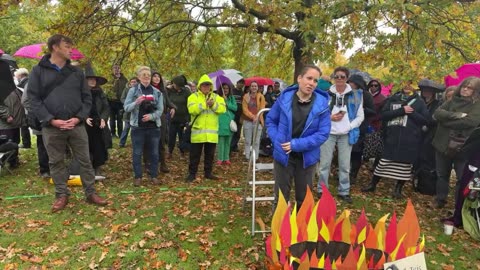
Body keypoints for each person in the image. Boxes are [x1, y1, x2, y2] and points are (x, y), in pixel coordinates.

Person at [27, 34, 108, 212]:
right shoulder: (38, 71)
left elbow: (87, 99)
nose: (71, 49)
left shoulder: (77, 72)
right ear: (55, 47)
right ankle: (61, 195)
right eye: (67, 46)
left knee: (86, 160)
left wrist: (78, 117)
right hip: (52, 127)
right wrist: (50, 120)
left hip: (76, 126)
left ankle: (90, 193)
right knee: (56, 162)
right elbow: (33, 100)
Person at [266, 64, 331, 210]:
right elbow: (271, 120)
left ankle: (302, 232)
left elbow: (323, 134)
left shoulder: (322, 105)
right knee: (281, 198)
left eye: (315, 81)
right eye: (309, 78)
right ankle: (280, 231)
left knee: (304, 200)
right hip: (283, 156)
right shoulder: (284, 98)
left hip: (307, 159)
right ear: (299, 78)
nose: (311, 83)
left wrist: (296, 144)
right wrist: (277, 140)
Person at [362, 81, 429, 199]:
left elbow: (425, 120)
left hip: (409, 139)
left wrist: (411, 112)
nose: (407, 86)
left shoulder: (419, 102)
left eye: (410, 84)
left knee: (404, 166)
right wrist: (401, 111)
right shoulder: (393, 99)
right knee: (383, 162)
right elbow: (383, 115)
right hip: (392, 137)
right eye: (405, 83)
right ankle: (373, 184)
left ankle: (398, 189)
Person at [317, 67, 364, 204]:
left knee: (344, 165)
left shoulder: (356, 95)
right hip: (328, 132)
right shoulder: (325, 94)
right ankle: (322, 190)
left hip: (346, 134)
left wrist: (348, 126)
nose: (339, 79)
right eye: (336, 76)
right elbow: (318, 113)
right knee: (324, 164)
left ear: (347, 78)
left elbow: (360, 116)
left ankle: (344, 191)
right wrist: (330, 118)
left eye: (342, 76)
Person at [432, 77, 480, 208]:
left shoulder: (477, 105)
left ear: (476, 91)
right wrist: (456, 115)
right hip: (442, 143)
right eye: (464, 86)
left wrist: (446, 121)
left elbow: (470, 122)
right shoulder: (453, 100)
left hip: (462, 147)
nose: (465, 89)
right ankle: (440, 200)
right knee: (442, 174)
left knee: (461, 178)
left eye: (469, 87)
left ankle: (458, 205)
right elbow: (437, 113)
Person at [124, 66, 164, 187]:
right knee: (137, 152)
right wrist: (136, 102)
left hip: (153, 128)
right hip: (138, 127)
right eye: (144, 75)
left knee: (154, 153)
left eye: (148, 75)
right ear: (139, 77)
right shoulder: (133, 91)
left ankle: (154, 176)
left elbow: (160, 110)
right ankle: (138, 177)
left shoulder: (157, 92)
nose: (146, 77)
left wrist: (151, 116)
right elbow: (126, 107)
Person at [185, 75, 226, 182]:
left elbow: (222, 109)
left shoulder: (217, 97)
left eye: (208, 85)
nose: (206, 87)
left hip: (211, 133)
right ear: (200, 86)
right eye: (204, 85)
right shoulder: (193, 97)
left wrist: (213, 105)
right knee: (194, 156)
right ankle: (192, 174)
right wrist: (204, 104)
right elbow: (192, 110)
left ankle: (208, 173)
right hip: (198, 132)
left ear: (211, 86)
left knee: (210, 156)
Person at [415, 79, 444, 195]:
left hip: (430, 134)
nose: (426, 92)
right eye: (424, 90)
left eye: (428, 91)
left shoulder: (438, 104)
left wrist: (427, 124)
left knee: (426, 156)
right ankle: (417, 177)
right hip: (417, 132)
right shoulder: (419, 102)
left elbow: (435, 119)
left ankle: (425, 182)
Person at [347, 74, 375, 184]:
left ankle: (353, 175)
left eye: (352, 82)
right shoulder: (347, 93)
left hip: (360, 128)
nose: (350, 84)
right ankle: (345, 173)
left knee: (356, 153)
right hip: (347, 127)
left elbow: (373, 111)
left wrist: (362, 108)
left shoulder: (366, 95)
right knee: (346, 152)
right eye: (349, 82)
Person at [84, 65, 110, 176]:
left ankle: (97, 167)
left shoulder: (100, 92)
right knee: (86, 145)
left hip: (98, 123)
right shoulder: (82, 93)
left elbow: (106, 107)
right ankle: (88, 168)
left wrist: (104, 119)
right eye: (90, 79)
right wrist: (84, 117)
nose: (92, 81)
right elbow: (78, 107)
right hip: (85, 124)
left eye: (94, 79)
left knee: (99, 145)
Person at [151, 71, 176, 173]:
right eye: (154, 76)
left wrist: (173, 107)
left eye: (158, 77)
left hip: (162, 117)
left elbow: (168, 102)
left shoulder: (163, 90)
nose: (157, 78)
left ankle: (163, 164)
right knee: (150, 142)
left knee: (161, 141)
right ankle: (150, 164)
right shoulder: (148, 89)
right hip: (151, 117)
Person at [0, 77, 25, 169]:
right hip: (5, 123)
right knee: (7, 143)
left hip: (15, 122)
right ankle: (5, 162)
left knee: (15, 142)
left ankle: (14, 161)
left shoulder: (11, 86)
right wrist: (6, 116)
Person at [242, 81, 266, 161]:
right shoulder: (246, 96)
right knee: (248, 140)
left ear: (257, 87)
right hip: (248, 121)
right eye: (252, 86)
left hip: (258, 121)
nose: (254, 88)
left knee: (256, 141)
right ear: (250, 87)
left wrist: (257, 116)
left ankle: (255, 157)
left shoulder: (261, 97)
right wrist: (252, 116)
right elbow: (244, 109)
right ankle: (247, 156)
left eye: (255, 86)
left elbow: (262, 108)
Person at [168, 75, 191, 157]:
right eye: (174, 84)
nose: (175, 86)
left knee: (182, 137)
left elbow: (190, 105)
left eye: (177, 85)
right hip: (172, 118)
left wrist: (188, 118)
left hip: (183, 119)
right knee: (171, 136)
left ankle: (182, 152)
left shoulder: (187, 92)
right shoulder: (170, 91)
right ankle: (170, 151)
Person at [217, 83, 237, 165]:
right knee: (221, 141)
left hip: (229, 121)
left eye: (227, 88)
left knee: (228, 141)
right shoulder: (217, 98)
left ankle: (226, 158)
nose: (225, 90)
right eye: (224, 88)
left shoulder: (231, 98)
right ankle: (220, 158)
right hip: (221, 121)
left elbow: (235, 108)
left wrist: (227, 102)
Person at [119, 77, 139, 147]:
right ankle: (122, 143)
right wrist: (129, 103)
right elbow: (122, 98)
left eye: (135, 82)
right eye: (132, 82)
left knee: (135, 130)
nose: (133, 83)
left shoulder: (139, 90)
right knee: (126, 128)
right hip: (128, 113)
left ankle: (135, 143)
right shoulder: (126, 89)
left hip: (136, 113)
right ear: (129, 83)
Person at [14, 68, 31, 149]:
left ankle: (26, 143)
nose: (16, 77)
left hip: (26, 110)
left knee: (24, 126)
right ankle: (26, 143)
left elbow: (24, 100)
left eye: (16, 75)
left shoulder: (23, 84)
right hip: (29, 108)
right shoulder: (30, 81)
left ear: (20, 75)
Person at [110, 64, 128, 137]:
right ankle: (113, 134)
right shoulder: (110, 79)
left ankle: (120, 134)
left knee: (120, 119)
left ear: (120, 69)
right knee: (112, 119)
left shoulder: (124, 79)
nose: (116, 69)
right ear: (112, 70)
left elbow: (127, 90)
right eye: (115, 68)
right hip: (111, 102)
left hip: (120, 103)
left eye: (118, 68)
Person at [230, 79, 245, 152]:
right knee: (232, 130)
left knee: (238, 132)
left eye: (242, 83)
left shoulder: (243, 93)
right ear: (237, 83)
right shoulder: (232, 91)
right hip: (232, 115)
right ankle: (230, 146)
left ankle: (234, 146)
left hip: (240, 115)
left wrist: (242, 116)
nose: (241, 84)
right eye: (240, 83)